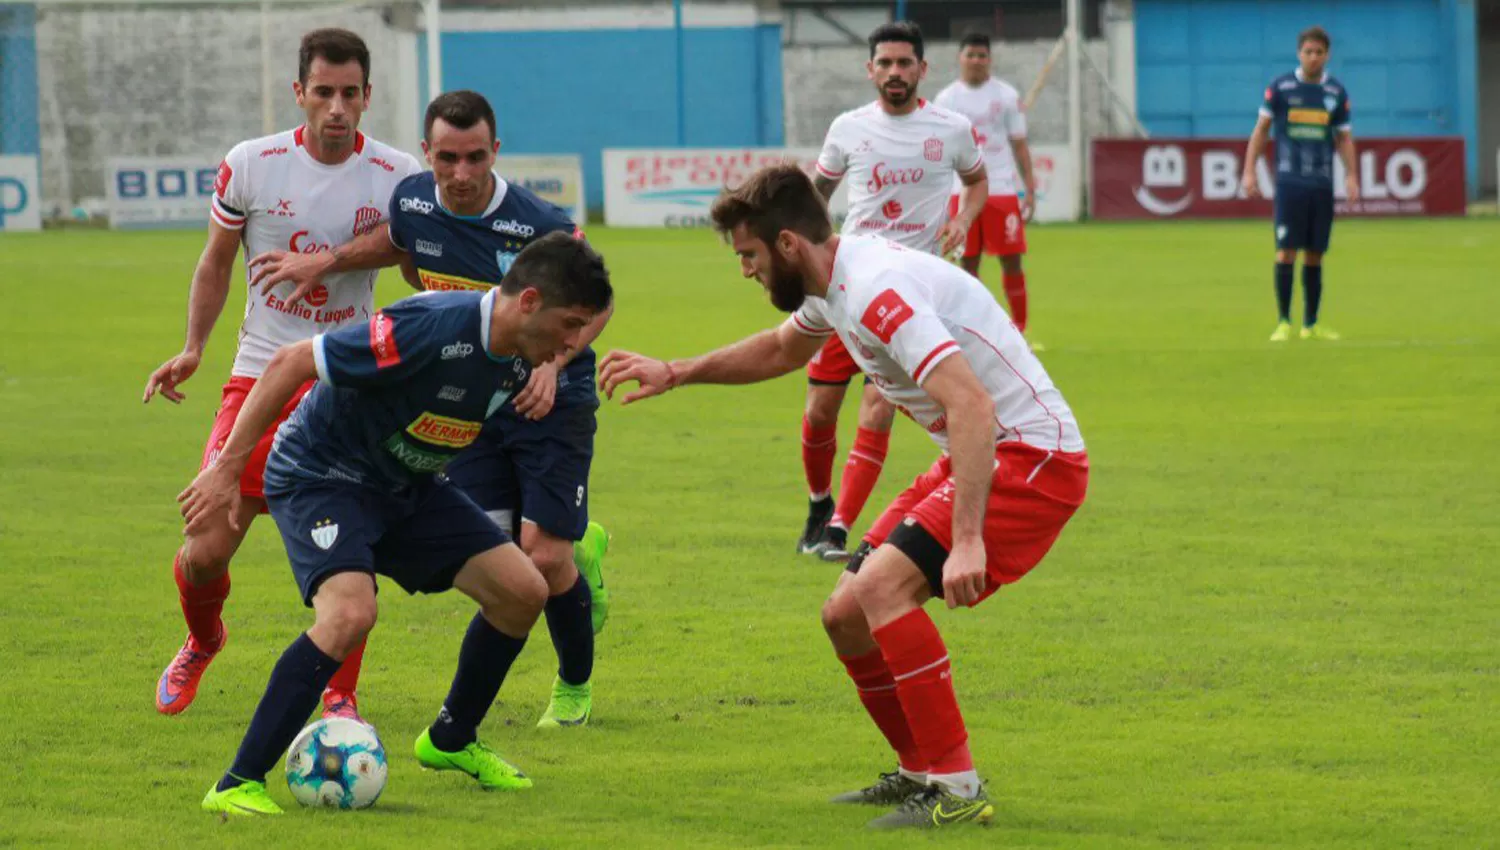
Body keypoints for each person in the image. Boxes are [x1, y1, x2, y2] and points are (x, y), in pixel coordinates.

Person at [598, 164, 1087, 830]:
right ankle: (921, 771)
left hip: (1033, 459)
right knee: (845, 612)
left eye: (749, 255)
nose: (746, 270)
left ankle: (958, 786)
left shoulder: (876, 292)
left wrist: (968, 537)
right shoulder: (834, 283)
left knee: (882, 590)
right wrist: (678, 372)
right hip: (982, 454)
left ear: (789, 246)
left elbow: (970, 403)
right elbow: (779, 350)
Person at [189, 232, 613, 816]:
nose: (574, 342)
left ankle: (450, 739)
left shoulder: (524, 356)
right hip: (323, 474)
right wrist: (226, 469)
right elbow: (291, 362)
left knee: (523, 592)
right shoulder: (430, 327)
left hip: (406, 483)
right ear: (530, 301)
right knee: (350, 614)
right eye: (571, 325)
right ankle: (237, 781)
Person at [245, 90, 613, 729]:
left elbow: (599, 300)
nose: (462, 175)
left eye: (475, 158)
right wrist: (326, 261)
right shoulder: (413, 201)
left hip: (548, 395)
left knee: (546, 560)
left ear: (496, 152)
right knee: (503, 557)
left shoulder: (541, 221)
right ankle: (456, 730)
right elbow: (400, 248)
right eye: (448, 158)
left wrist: (553, 365)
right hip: (467, 400)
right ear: (427, 155)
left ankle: (573, 685)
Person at [142, 28, 421, 719]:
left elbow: (411, 253)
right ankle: (203, 640)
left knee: (351, 554)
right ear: (299, 93)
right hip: (258, 379)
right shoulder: (252, 164)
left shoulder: (396, 174)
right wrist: (193, 347)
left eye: (349, 94)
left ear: (367, 97)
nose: (336, 107)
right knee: (203, 551)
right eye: (322, 92)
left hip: (347, 386)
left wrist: (327, 262)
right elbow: (215, 261)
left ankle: (339, 699)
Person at [800, 20, 988, 563]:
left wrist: (963, 219)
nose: (895, 72)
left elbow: (977, 182)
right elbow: (817, 196)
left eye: (905, 63)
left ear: (923, 70)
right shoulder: (848, 128)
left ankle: (838, 528)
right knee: (818, 411)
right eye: (885, 63)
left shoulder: (950, 129)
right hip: (847, 290)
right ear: (871, 70)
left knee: (878, 406)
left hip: (910, 296)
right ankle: (818, 503)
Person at [1242, 25, 1358, 342]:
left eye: (1319, 52)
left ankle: (1311, 323)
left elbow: (1344, 138)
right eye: (1308, 52)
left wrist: (1351, 175)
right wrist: (1249, 170)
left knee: (1315, 254)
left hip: (1321, 184)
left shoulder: (1335, 93)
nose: (1313, 58)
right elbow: (1261, 131)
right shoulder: (1280, 89)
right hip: (1290, 183)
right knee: (1285, 252)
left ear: (1327, 55)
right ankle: (1283, 321)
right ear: (1299, 53)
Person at [934, 32, 1040, 349]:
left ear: (989, 60)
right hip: (961, 189)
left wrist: (1030, 189)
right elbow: (940, 150)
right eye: (971, 55)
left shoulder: (1006, 96)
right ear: (960, 58)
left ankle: (1020, 332)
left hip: (1002, 188)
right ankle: (972, 332)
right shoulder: (946, 99)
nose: (977, 61)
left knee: (1011, 259)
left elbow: (1019, 145)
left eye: (983, 55)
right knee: (967, 264)